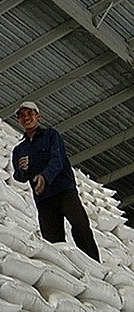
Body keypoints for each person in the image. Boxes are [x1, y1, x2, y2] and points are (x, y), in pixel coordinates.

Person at [11, 101, 100, 262]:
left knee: (80, 225)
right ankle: (64, 271)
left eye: (30, 113)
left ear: (38, 116)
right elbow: (19, 177)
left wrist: (44, 176)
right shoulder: (19, 150)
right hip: (43, 198)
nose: (26, 118)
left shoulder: (51, 135)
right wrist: (23, 169)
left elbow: (57, 160)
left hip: (64, 190)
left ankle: (94, 264)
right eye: (22, 116)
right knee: (53, 241)